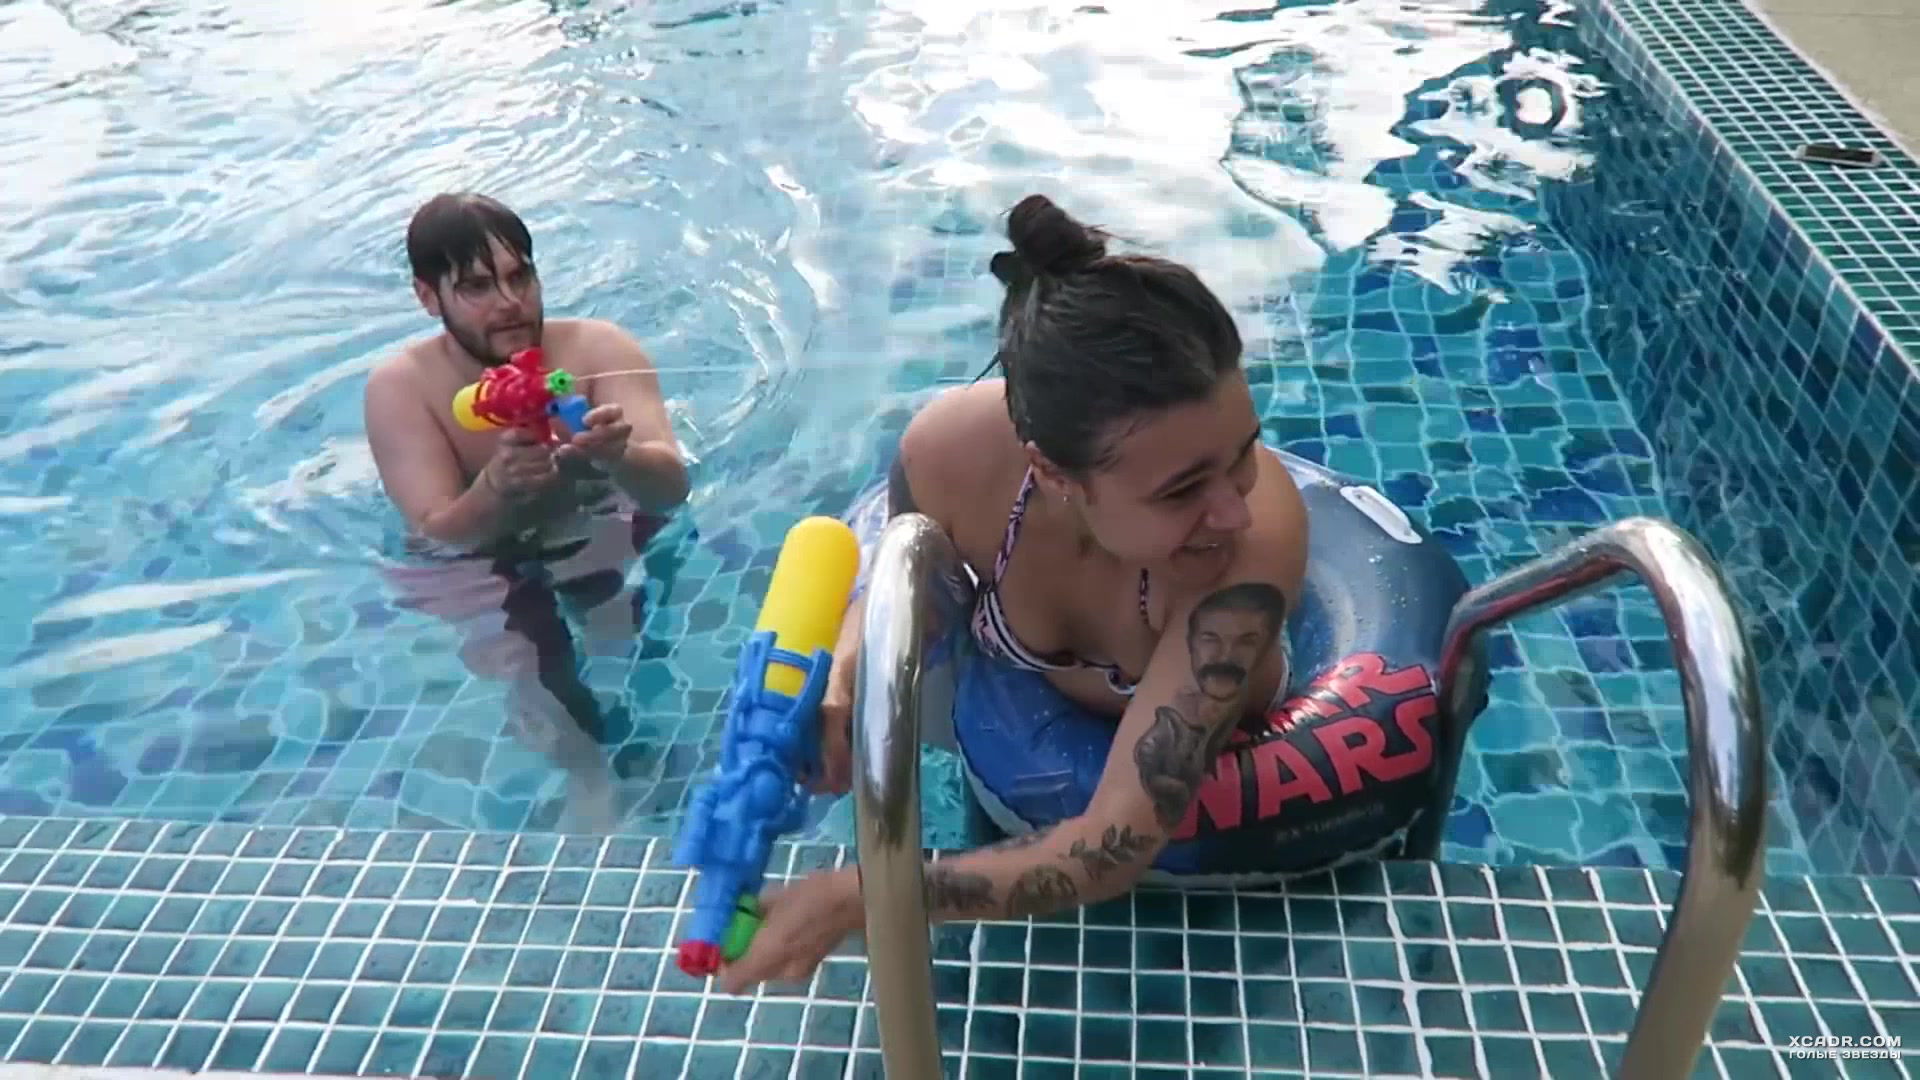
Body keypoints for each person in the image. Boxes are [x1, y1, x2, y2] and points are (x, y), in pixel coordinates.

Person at [717, 193, 1309, 993]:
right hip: (1014, 714)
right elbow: (917, 588)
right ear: (1054, 474)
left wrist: (862, 896)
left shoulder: (1251, 551)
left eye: (1242, 453)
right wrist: (846, 681)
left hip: (1210, 800)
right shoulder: (952, 455)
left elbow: (1116, 843)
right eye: (1181, 490)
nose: (1235, 509)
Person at [364, 193, 692, 829]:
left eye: (521, 277)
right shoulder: (403, 389)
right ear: (428, 297)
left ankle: (652, 754)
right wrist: (496, 488)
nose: (509, 301)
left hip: (597, 522)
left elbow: (671, 488)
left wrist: (620, 457)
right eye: (477, 287)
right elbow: (435, 534)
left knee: (626, 636)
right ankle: (587, 777)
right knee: (533, 667)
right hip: (488, 556)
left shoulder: (598, 351)